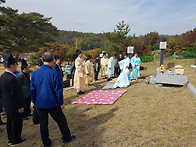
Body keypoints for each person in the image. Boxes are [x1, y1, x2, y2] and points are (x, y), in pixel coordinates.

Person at [30, 52, 75, 147]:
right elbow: (58, 90)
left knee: (43, 124)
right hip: (53, 103)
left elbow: (32, 89)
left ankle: (46, 142)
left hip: (40, 102)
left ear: (42, 60)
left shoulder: (35, 74)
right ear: (53, 60)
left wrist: (34, 101)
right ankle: (66, 138)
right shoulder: (54, 73)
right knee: (61, 120)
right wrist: (61, 102)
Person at [0, 53, 26, 146]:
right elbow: (15, 94)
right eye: (15, 65)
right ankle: (16, 139)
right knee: (16, 123)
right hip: (14, 105)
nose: (16, 66)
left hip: (7, 104)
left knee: (9, 122)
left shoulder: (2, 77)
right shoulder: (12, 78)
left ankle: (10, 139)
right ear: (11, 66)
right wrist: (20, 106)